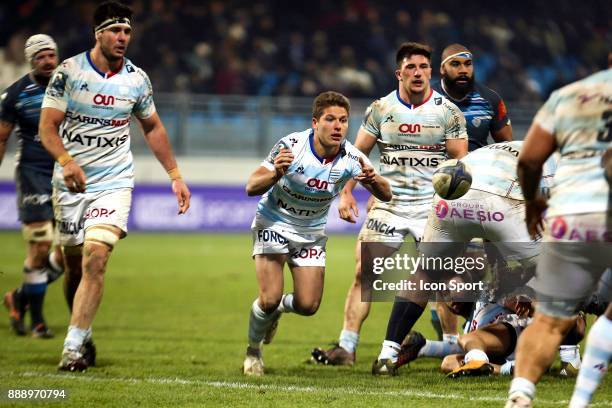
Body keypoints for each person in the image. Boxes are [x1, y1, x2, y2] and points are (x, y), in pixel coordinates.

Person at [39, 1, 191, 372]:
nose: (123, 38)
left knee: (97, 257)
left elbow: (152, 127)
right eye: (115, 31)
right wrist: (67, 161)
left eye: (127, 32)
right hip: (71, 183)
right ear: (99, 34)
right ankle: (84, 331)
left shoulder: (137, 79)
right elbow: (48, 128)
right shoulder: (69, 72)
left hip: (114, 181)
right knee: (74, 266)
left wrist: (175, 175)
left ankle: (72, 347)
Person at [311, 42, 468, 367]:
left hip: (432, 208)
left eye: (424, 67)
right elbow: (357, 154)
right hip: (389, 206)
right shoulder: (381, 109)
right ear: (399, 73)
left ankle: (452, 347)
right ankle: (347, 347)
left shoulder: (447, 111)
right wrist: (346, 192)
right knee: (362, 273)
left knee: (438, 279)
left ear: (431, 71)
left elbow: (461, 163)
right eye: (411, 67)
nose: (418, 73)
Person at [242, 91, 392, 376]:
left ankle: (277, 312)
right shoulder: (291, 146)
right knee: (269, 297)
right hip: (274, 222)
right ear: (315, 122)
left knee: (308, 305)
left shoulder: (352, 158)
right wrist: (275, 173)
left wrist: (374, 180)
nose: (338, 126)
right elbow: (251, 186)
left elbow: (386, 194)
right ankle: (253, 351)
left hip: (310, 233)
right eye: (331, 119)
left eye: (344, 121)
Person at [505, 58, 612, 407]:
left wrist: (533, 202)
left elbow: (529, 160)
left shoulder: (568, 96)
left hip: (569, 218)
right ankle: (579, 401)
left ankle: (520, 393)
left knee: (549, 319)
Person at [1, 34, 64, 338]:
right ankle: (38, 321)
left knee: (68, 254)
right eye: (40, 56)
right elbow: (1, 137)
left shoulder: (71, 86)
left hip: (66, 173)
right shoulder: (15, 94)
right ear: (30, 60)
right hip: (33, 172)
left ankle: (20, 297)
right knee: (40, 244)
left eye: (51, 55)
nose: (47, 61)